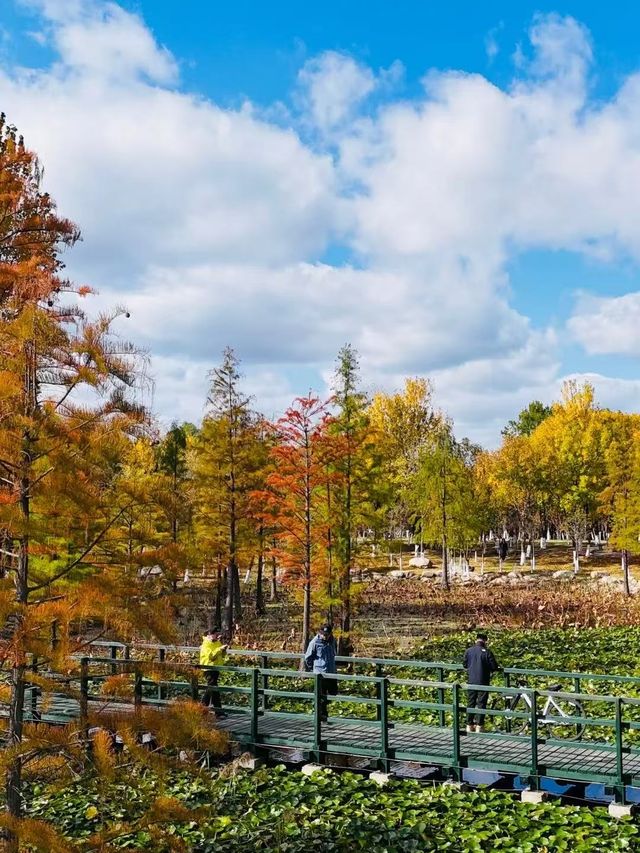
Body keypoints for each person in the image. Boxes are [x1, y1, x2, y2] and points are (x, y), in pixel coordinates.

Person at [462, 632, 499, 733]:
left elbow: (464, 664)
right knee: (481, 703)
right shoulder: (487, 652)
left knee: (471, 702)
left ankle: (469, 725)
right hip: (483, 681)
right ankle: (479, 725)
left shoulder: (468, 651)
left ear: (476, 640)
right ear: (485, 641)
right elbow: (494, 667)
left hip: (471, 681)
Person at [304, 624, 337, 721]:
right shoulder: (314, 642)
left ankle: (324, 713)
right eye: (323, 634)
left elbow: (334, 653)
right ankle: (322, 716)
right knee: (321, 696)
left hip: (331, 672)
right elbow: (308, 657)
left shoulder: (332, 641)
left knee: (333, 693)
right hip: (320, 673)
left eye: (327, 634)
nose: (325, 636)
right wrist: (313, 669)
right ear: (320, 633)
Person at [199, 629, 228, 716]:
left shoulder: (217, 643)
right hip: (208, 668)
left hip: (216, 668)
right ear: (209, 635)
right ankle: (202, 708)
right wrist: (220, 649)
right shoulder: (205, 644)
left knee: (214, 689)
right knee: (211, 688)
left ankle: (217, 711)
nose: (217, 636)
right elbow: (211, 656)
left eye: (217, 634)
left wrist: (223, 650)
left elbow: (222, 655)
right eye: (215, 634)